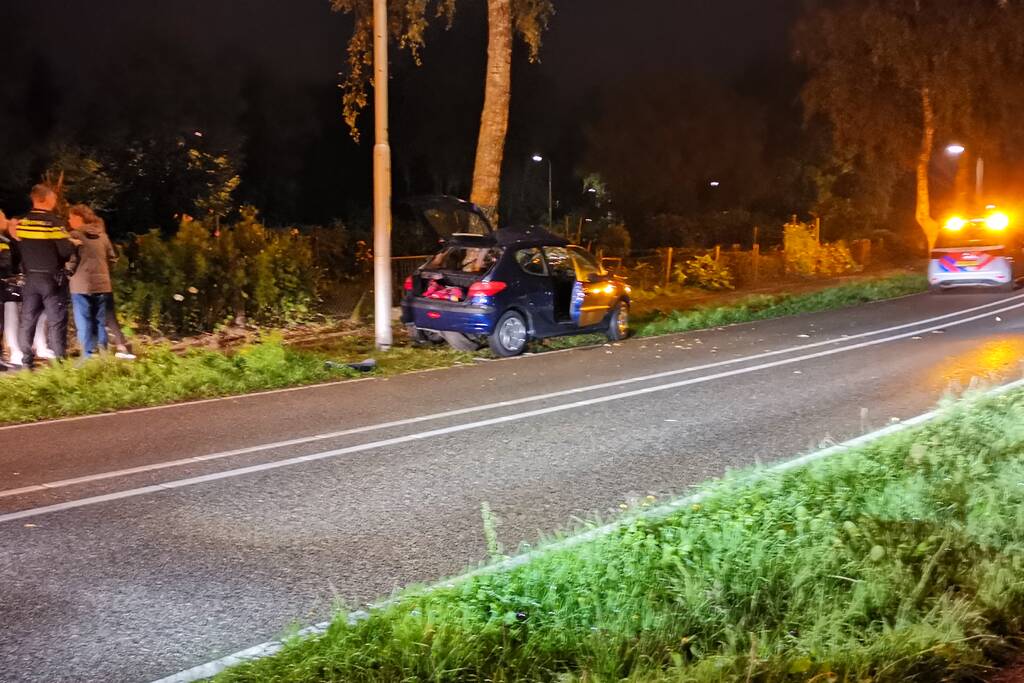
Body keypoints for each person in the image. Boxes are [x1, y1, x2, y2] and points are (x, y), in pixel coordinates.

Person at [13, 184, 76, 367]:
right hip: (52, 278)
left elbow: (18, 249)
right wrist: (72, 244)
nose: (55, 201)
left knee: (27, 319)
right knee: (56, 320)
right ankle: (59, 363)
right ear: (45, 199)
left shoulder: (22, 222)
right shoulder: (54, 223)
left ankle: (26, 361)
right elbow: (65, 251)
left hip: (30, 278)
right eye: (54, 198)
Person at [68, 205, 114, 358]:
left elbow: (71, 260)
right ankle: (103, 354)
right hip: (103, 284)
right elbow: (112, 258)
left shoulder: (74, 235)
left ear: (79, 218)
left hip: (81, 285)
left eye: (71, 217)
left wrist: (68, 273)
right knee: (100, 321)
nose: (69, 220)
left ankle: (87, 356)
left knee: (84, 321)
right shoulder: (103, 236)